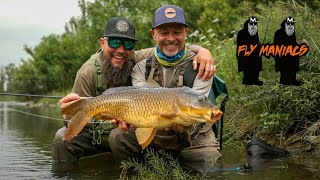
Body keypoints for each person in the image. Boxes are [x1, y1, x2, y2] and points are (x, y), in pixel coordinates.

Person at [52, 16, 217, 168]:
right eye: (115, 43)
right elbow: (72, 121)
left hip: (127, 129)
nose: (121, 50)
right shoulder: (87, 72)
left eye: (128, 44)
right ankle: (64, 175)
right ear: (102, 42)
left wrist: (202, 51)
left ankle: (136, 170)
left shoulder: (136, 58)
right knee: (62, 138)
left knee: (120, 136)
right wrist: (68, 111)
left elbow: (170, 46)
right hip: (98, 132)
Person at [109, 5, 222, 171]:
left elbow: (199, 107)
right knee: (118, 137)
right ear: (153, 34)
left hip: (195, 137)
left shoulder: (201, 65)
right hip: (156, 131)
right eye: (164, 32)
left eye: (176, 32)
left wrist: (185, 123)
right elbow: (145, 100)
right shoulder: (141, 68)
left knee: (211, 163)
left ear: (186, 32)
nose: (171, 38)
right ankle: (144, 170)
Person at [236, 17, 263, 86]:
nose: (253, 25)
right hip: (246, 56)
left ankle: (255, 80)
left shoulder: (255, 32)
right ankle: (247, 82)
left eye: (255, 24)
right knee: (248, 69)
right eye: (251, 24)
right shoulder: (241, 33)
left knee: (256, 68)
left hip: (255, 56)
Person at [274, 17, 300, 85]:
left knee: (292, 69)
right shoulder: (279, 33)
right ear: (285, 24)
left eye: (292, 23)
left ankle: (293, 81)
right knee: (284, 71)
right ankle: (284, 83)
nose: (290, 25)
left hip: (292, 56)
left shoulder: (292, 32)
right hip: (283, 56)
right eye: (289, 23)